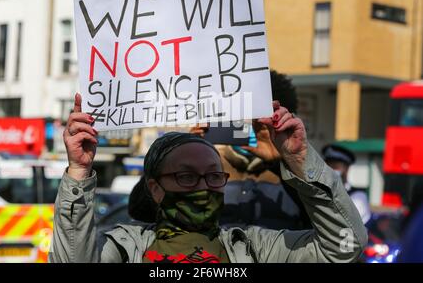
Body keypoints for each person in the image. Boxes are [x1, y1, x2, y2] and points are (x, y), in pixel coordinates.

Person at [49, 93, 367, 263]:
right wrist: (78, 172)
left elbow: (345, 247)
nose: (203, 187)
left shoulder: (256, 248)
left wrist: (298, 161)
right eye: (186, 176)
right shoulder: (122, 248)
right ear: (155, 188)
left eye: (214, 176)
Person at [190, 71, 311, 230]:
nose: (257, 124)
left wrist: (282, 165)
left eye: (264, 118)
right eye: (249, 114)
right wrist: (185, 158)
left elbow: (325, 218)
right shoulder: (208, 164)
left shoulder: (300, 170)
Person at [322, 144, 371, 224]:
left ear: (346, 168)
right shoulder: (319, 190)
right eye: (328, 166)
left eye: (335, 166)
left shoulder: (358, 196)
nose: (330, 170)